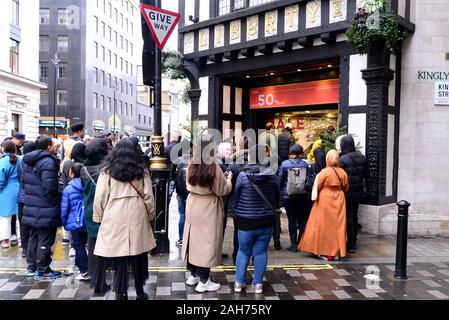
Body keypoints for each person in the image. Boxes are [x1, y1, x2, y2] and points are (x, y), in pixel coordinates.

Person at [93, 139, 156, 300]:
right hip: (137, 212)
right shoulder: (141, 170)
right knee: (139, 253)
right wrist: (150, 214)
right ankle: (140, 291)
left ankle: (120, 291)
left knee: (119, 255)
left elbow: (100, 196)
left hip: (114, 214)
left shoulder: (106, 171)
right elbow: (148, 196)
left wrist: (98, 216)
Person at [182, 134, 232, 293]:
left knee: (193, 239)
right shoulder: (213, 166)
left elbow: (188, 183)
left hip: (193, 203)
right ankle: (204, 281)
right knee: (207, 243)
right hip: (208, 206)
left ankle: (193, 275)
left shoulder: (191, 163)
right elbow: (222, 190)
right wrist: (228, 179)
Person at [233, 144, 280, 294]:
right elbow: (278, 199)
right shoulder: (272, 175)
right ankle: (257, 284)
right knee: (260, 252)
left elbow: (236, 197)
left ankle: (239, 283)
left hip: (245, 221)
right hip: (266, 220)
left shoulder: (242, 175)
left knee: (243, 251)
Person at [22, 135, 62, 280]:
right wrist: (54, 201)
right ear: (48, 147)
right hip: (45, 206)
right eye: (52, 144)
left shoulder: (27, 160)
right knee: (45, 238)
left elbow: (24, 183)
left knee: (33, 237)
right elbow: (50, 188)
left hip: (31, 204)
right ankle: (43, 270)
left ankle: (32, 267)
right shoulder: (48, 161)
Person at [298, 150, 349, 261]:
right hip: (339, 199)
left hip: (324, 199)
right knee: (337, 226)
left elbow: (316, 187)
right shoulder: (343, 172)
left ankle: (322, 250)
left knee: (321, 225)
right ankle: (336, 251)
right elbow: (346, 187)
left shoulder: (324, 172)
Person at [80, 138, 109, 294]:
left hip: (90, 210)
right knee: (106, 247)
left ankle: (97, 280)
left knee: (93, 246)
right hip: (106, 210)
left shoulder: (83, 169)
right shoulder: (106, 169)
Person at [61, 163, 90, 281]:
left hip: (75, 222)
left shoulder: (68, 189)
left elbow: (64, 209)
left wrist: (64, 223)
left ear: (72, 173)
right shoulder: (89, 184)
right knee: (85, 245)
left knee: (79, 246)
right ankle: (83, 267)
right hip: (87, 219)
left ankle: (85, 271)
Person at [278, 144, 310, 252]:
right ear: (301, 154)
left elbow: (280, 181)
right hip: (302, 195)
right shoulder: (305, 165)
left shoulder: (285, 164)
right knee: (302, 219)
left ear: (290, 153)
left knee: (291, 218)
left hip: (288, 195)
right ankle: (301, 242)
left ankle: (293, 244)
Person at [338, 135, 367, 254]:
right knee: (354, 216)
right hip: (359, 192)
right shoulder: (362, 157)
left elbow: (339, 177)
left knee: (348, 217)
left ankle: (350, 244)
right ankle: (353, 241)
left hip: (347, 192)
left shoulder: (342, 159)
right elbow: (366, 175)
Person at [226, 136, 250, 264]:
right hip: (253, 203)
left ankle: (236, 255)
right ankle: (249, 255)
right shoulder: (258, 163)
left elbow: (226, 184)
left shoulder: (233, 164)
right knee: (251, 230)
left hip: (236, 202)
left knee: (237, 229)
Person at [0, 141, 21, 248]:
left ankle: (5, 241)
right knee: (20, 217)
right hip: (21, 189)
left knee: (5, 217)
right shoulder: (20, 160)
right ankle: (20, 239)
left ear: (3, 149)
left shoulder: (2, 162)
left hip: (6, 191)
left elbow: (1, 181)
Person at [17, 141, 36, 257]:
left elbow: (20, 178)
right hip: (33, 196)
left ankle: (25, 248)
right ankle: (32, 248)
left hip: (21, 196)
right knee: (33, 224)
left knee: (23, 223)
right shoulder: (37, 161)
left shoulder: (20, 161)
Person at [173, 139, 192, 247]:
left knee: (182, 215)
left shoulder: (177, 161)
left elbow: (172, 177)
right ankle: (191, 238)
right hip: (192, 193)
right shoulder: (195, 160)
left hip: (180, 192)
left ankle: (181, 239)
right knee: (192, 216)